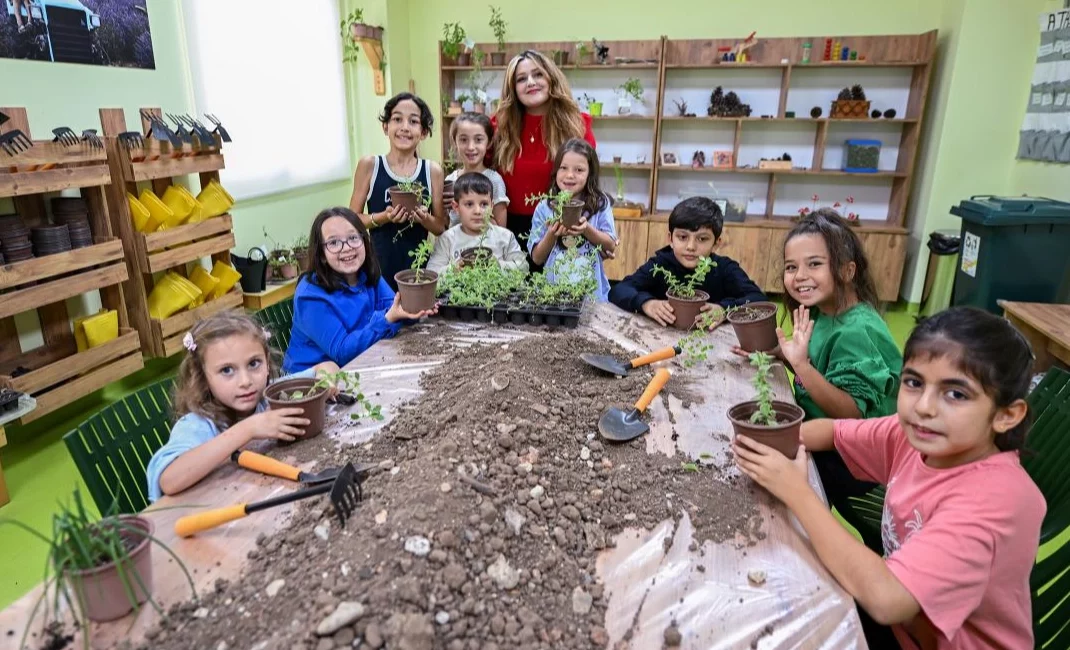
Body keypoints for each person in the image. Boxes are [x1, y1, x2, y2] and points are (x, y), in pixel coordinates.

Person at [735, 306, 1045, 650]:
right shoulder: (918, 436)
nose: (924, 406)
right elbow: (832, 431)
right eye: (914, 382)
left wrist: (796, 490)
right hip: (904, 624)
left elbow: (886, 599)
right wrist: (771, 445)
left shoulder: (997, 499)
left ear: (1006, 415)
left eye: (955, 393)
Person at [736, 209, 902, 553]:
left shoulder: (857, 330)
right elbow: (817, 364)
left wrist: (802, 366)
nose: (799, 276)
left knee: (770, 498)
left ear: (846, 270)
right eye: (791, 267)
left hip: (856, 461)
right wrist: (781, 356)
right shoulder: (824, 312)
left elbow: (852, 413)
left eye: (814, 264)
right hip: (830, 439)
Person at [146, 312, 340, 501]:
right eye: (227, 370)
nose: (245, 381)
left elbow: (325, 367)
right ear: (203, 377)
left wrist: (326, 381)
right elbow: (169, 480)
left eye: (254, 363)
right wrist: (248, 429)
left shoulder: (269, 396)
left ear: (266, 362)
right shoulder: (198, 423)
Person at [283, 207, 434, 374]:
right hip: (312, 385)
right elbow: (343, 352)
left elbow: (394, 310)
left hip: (363, 364)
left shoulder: (367, 273)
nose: (347, 247)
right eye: (333, 242)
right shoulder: (310, 295)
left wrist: (412, 310)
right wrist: (387, 319)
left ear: (364, 241)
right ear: (321, 255)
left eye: (353, 238)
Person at [491, 50, 596, 248]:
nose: (531, 82)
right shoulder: (499, 126)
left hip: (559, 226)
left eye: (538, 74)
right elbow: (480, 171)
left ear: (551, 78)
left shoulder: (578, 125)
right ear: (513, 88)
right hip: (508, 231)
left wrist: (601, 233)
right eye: (521, 79)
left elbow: (589, 178)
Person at [609, 196, 767, 327]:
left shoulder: (725, 269)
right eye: (683, 237)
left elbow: (758, 299)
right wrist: (647, 304)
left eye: (702, 239)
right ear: (670, 239)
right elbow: (619, 290)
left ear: (717, 243)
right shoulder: (660, 264)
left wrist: (724, 309)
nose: (691, 247)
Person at [349, 92, 446, 290]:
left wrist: (423, 218)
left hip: (419, 270)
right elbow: (352, 220)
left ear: (424, 131)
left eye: (413, 121)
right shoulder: (370, 165)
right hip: (377, 270)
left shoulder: (432, 170)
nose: (404, 127)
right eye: (397, 119)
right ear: (386, 127)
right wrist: (384, 216)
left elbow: (440, 227)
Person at [528, 138, 617, 301]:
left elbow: (610, 244)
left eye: (579, 170)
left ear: (590, 173)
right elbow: (537, 258)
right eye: (563, 168)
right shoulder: (544, 207)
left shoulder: (600, 203)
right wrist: (552, 234)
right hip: (554, 294)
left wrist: (587, 230)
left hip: (592, 295)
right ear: (555, 171)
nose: (570, 175)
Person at [427, 172, 527, 275]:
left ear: (492, 206)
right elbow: (431, 274)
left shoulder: (505, 237)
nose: (478, 211)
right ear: (456, 207)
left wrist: (498, 265)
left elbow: (524, 267)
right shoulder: (447, 239)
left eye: (484, 204)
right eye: (469, 204)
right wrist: (453, 269)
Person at [444, 113, 508, 228]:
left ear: (488, 143)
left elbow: (501, 230)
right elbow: (445, 224)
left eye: (478, 140)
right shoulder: (450, 180)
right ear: (455, 142)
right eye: (463, 140)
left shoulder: (494, 180)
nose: (470, 147)